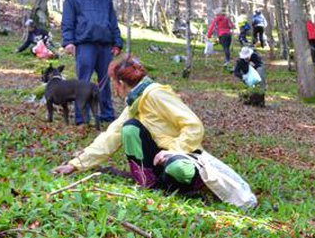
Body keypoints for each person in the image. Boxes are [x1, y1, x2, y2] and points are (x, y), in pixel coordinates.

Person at [52, 55, 208, 195]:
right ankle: (149, 182)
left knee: (179, 170)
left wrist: (174, 151)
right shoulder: (134, 104)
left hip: (181, 155)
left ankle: (190, 185)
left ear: (120, 83)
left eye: (114, 84)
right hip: (158, 159)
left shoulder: (155, 94)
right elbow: (110, 137)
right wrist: (75, 165)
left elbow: (194, 126)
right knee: (130, 128)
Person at [61, 0, 122, 126]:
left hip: (105, 45)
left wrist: (117, 42)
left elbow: (113, 21)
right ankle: (82, 118)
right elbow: (67, 21)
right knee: (84, 82)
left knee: (104, 82)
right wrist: (68, 42)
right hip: (84, 45)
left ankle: (107, 115)